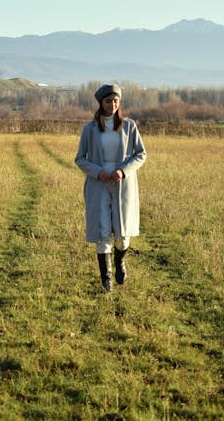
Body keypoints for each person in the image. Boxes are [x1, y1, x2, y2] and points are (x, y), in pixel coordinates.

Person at [75, 83, 147, 292]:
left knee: (123, 234)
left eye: (116, 101)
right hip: (98, 185)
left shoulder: (129, 126)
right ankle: (105, 278)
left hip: (123, 185)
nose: (112, 105)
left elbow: (141, 154)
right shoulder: (89, 129)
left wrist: (123, 171)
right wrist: (98, 172)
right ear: (100, 103)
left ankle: (120, 262)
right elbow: (80, 158)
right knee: (102, 230)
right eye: (108, 101)